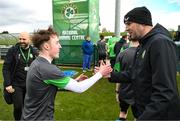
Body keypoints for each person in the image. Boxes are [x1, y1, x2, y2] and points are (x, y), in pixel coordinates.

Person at [99, 6, 180, 120]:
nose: (126, 28)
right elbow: (135, 73)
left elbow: (165, 94)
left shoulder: (160, 42)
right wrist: (111, 75)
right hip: (145, 111)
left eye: (129, 23)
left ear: (142, 23)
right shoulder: (143, 44)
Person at [21, 27, 112, 121]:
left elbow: (44, 86)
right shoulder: (47, 69)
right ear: (46, 46)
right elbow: (79, 88)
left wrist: (73, 81)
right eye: (56, 42)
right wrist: (100, 73)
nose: (60, 46)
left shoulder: (37, 63)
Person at [2, 32, 38, 121]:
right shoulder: (13, 50)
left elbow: (38, 67)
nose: (21, 41)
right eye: (20, 39)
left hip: (29, 84)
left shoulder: (34, 51)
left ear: (29, 40)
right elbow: (6, 68)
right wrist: (8, 84)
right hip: (16, 84)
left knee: (28, 106)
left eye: (24, 39)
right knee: (18, 107)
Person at [114, 39, 139, 121]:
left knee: (123, 112)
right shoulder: (144, 53)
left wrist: (117, 91)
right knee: (138, 116)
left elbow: (117, 75)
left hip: (124, 91)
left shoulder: (121, 54)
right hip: (139, 92)